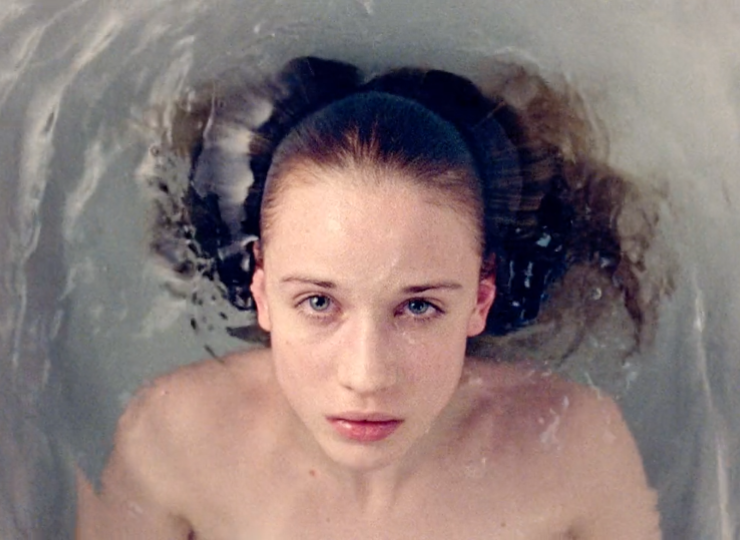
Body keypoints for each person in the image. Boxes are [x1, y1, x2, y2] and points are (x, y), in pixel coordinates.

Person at [76, 57, 663, 539]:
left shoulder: (577, 452)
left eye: (418, 306)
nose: (366, 376)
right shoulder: (171, 440)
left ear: (481, 298)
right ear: (261, 289)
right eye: (318, 302)